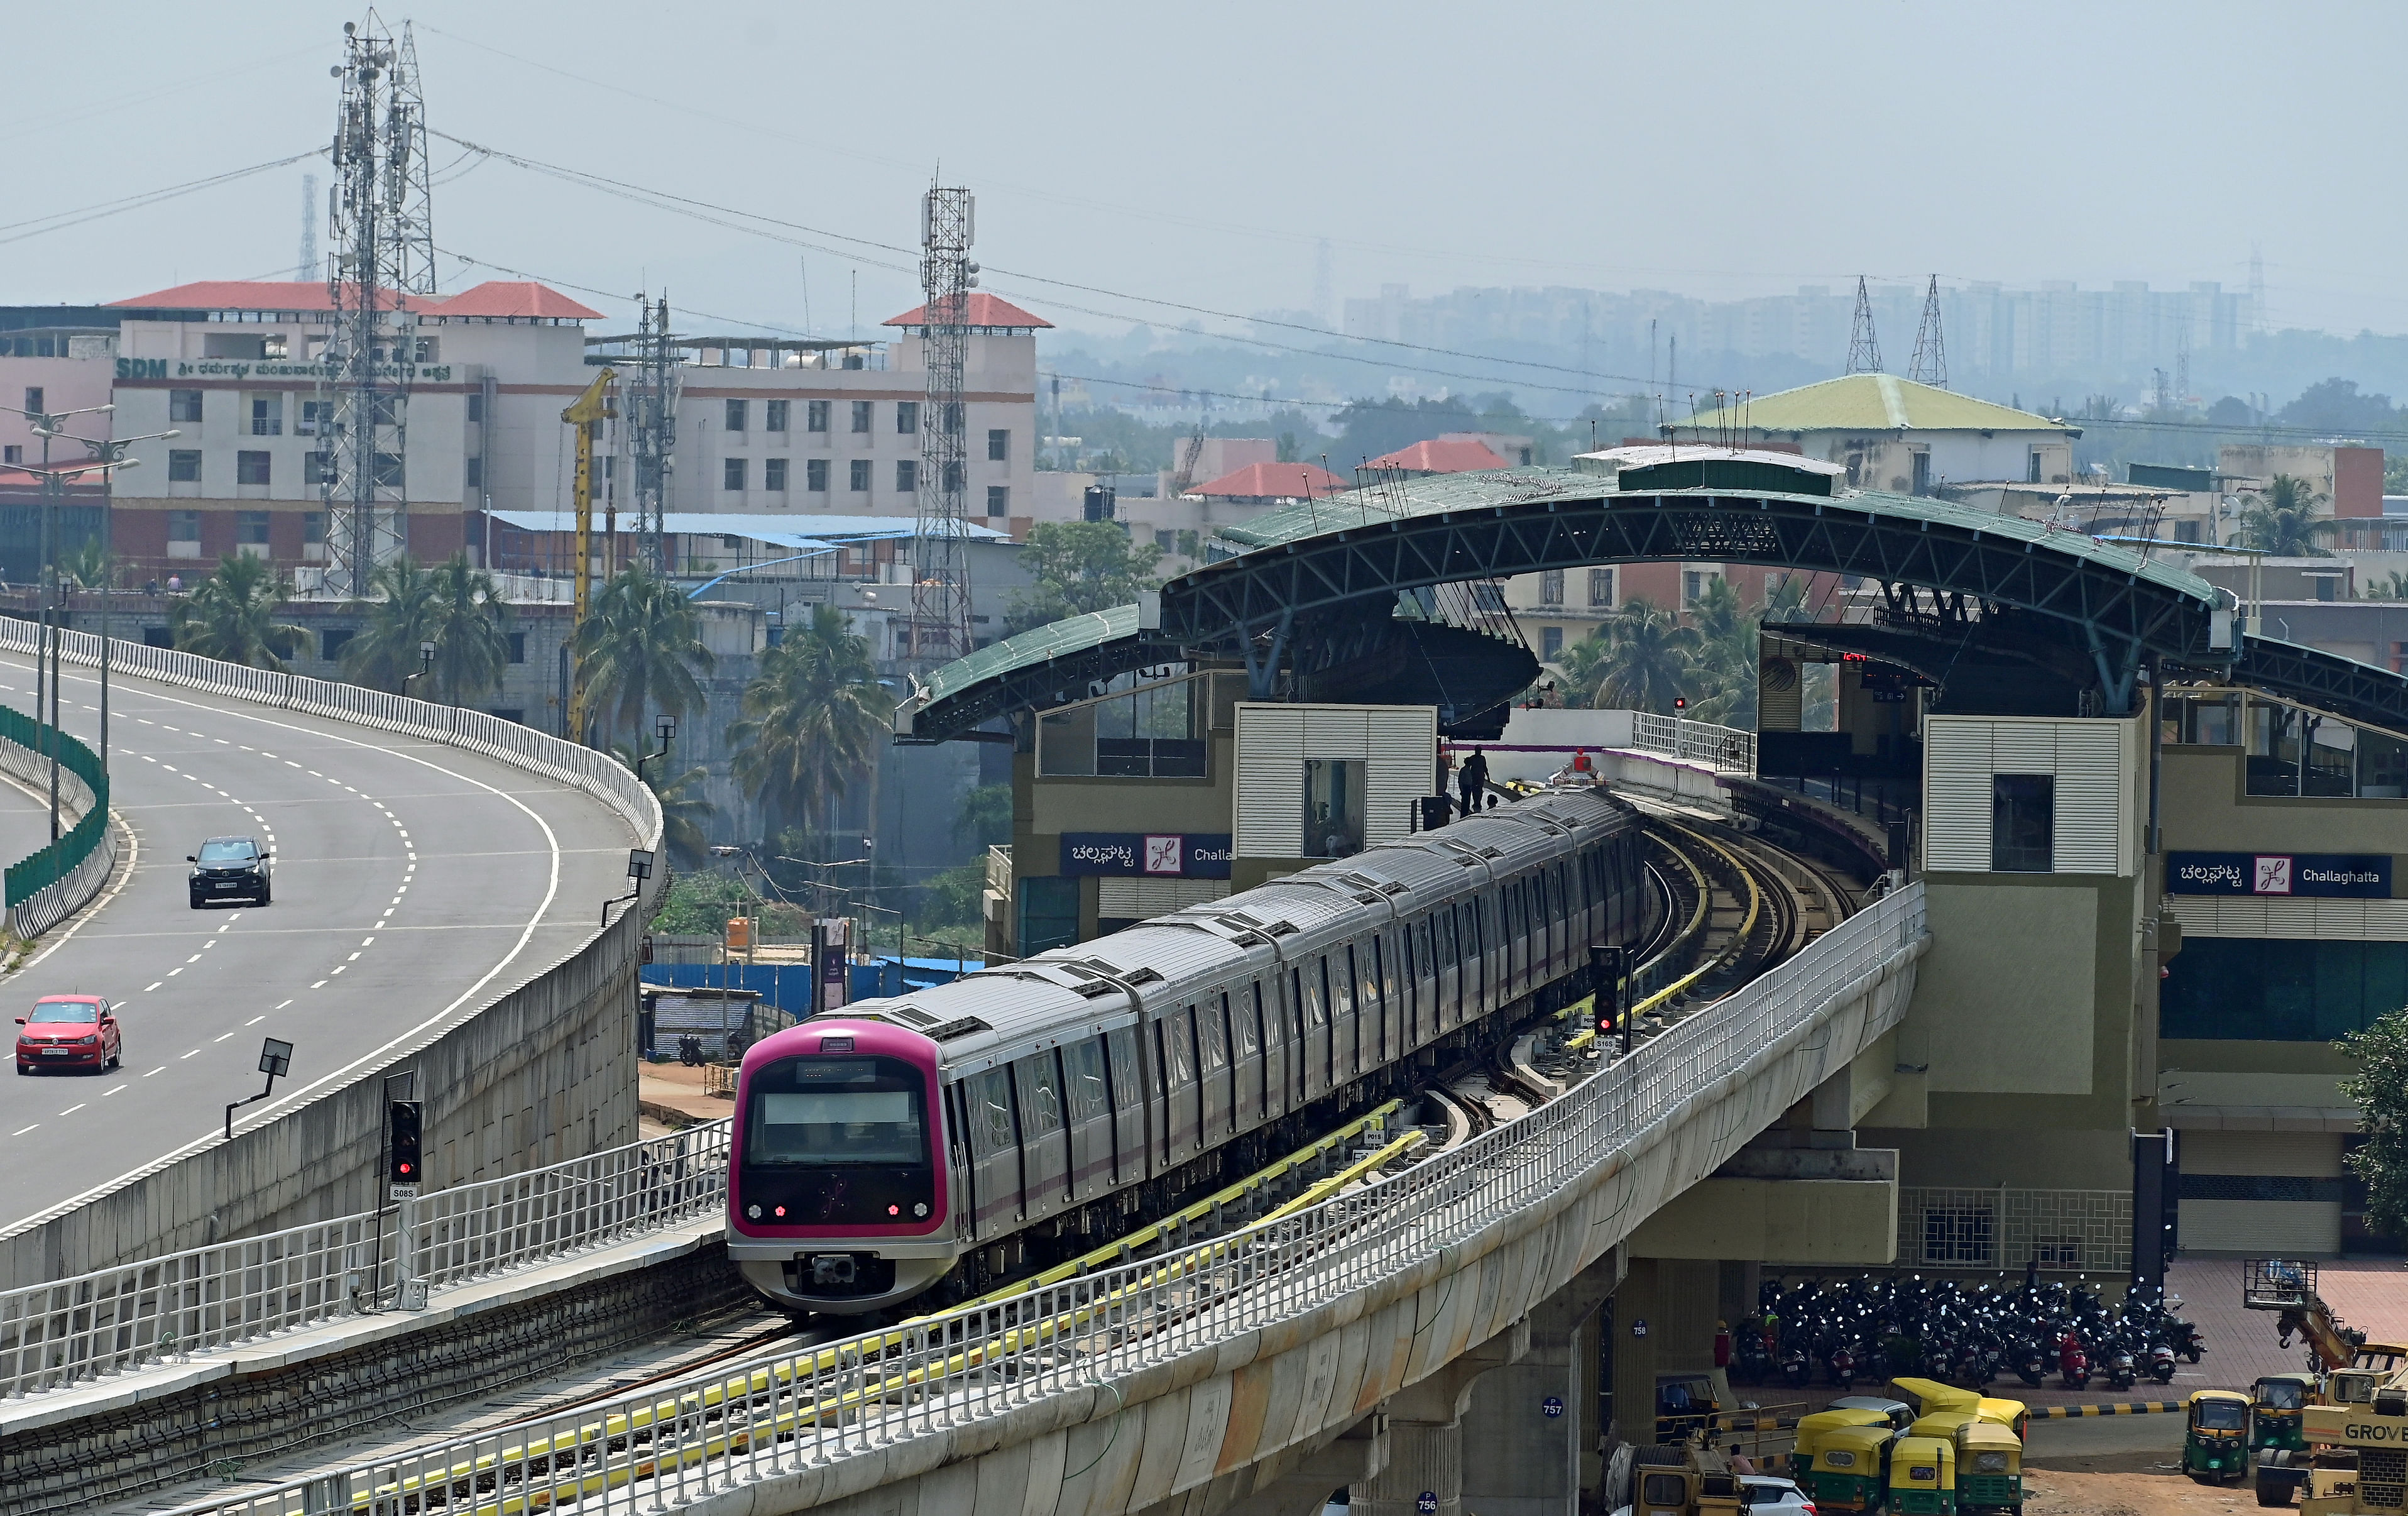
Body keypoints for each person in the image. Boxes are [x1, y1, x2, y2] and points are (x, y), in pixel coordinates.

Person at [1457, 747, 1489, 817]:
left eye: (1480, 751)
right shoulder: (1473, 758)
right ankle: (1475, 803)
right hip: (1473, 777)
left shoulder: (1482, 758)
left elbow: (1485, 767)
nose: (1479, 752)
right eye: (1478, 751)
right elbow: (1468, 764)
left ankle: (1478, 802)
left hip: (1480, 777)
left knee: (1480, 791)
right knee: (1474, 791)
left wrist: (1488, 776)